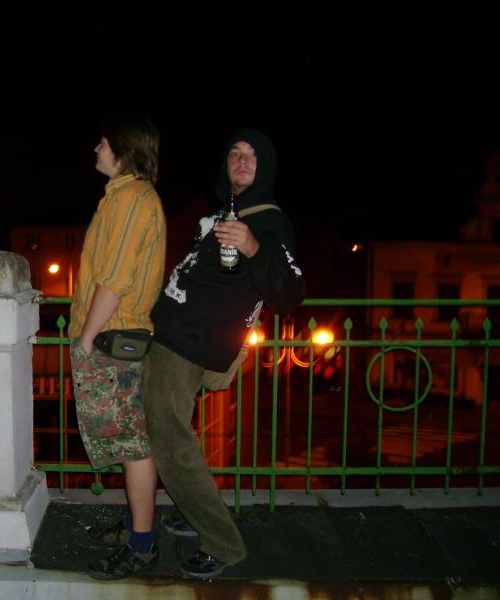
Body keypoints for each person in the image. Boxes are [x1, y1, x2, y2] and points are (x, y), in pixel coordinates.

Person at [143, 128, 306, 578]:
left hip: (188, 345)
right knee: (176, 437)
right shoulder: (223, 213)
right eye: (235, 153)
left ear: (266, 167)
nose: (242, 160)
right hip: (174, 335)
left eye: (252, 155)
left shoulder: (270, 222)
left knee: (169, 440)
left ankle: (222, 543)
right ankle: (200, 514)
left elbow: (291, 294)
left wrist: (253, 247)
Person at [68, 116, 166, 579]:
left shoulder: (131, 199)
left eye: (104, 142)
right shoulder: (122, 197)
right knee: (128, 442)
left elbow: (116, 278)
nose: (97, 148)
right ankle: (133, 526)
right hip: (116, 333)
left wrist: (87, 336)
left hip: (114, 337)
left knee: (132, 445)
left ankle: (142, 544)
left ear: (124, 150)